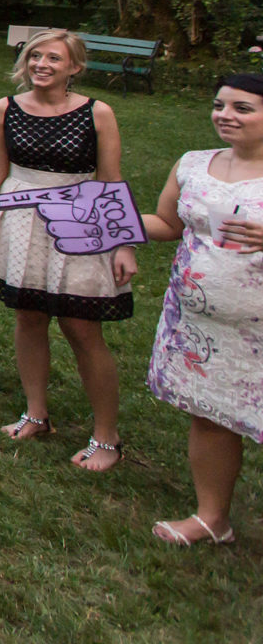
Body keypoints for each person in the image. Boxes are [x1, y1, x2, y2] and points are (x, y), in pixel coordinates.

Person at [0, 30, 132, 469]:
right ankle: (36, 414)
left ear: (74, 67)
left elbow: (110, 181)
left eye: (54, 58)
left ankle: (107, 438)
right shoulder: (6, 109)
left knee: (82, 328)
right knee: (29, 317)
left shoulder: (98, 113)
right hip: (20, 221)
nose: (41, 64)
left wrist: (123, 243)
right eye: (35, 55)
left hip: (78, 222)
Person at [142, 72, 263, 545]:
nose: (225, 116)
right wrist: (111, 220)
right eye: (219, 105)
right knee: (210, 416)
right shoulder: (193, 163)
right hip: (202, 327)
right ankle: (213, 520)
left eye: (242, 108)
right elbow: (168, 223)